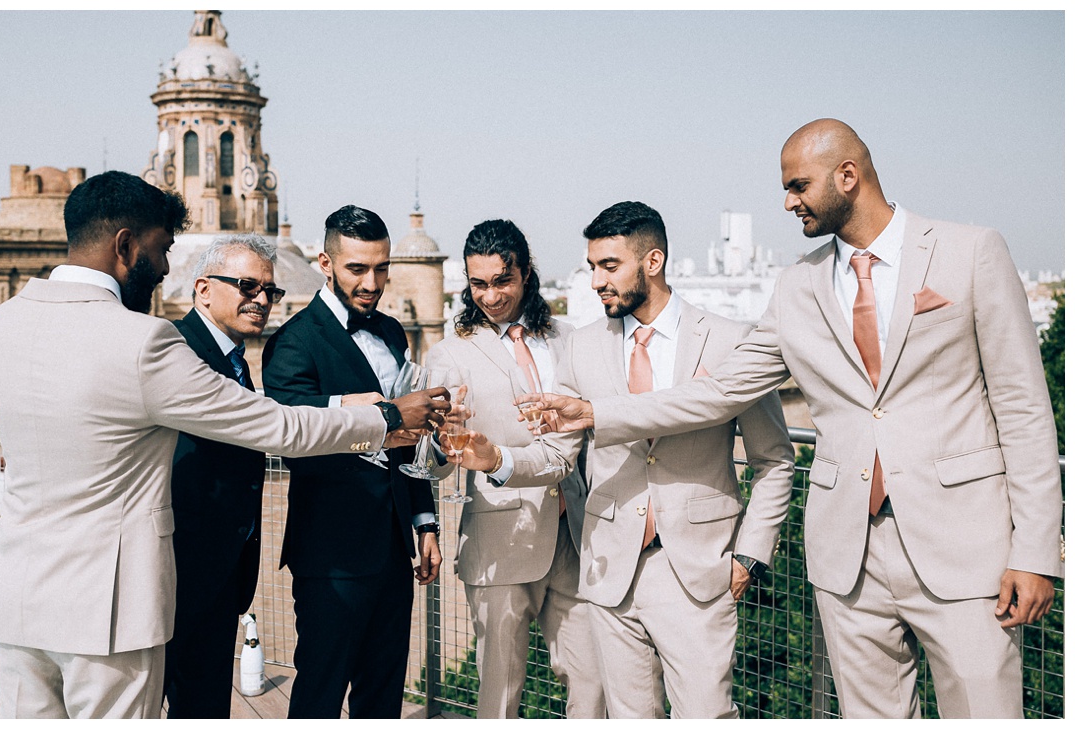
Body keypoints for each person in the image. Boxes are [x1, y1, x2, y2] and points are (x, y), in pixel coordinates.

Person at [536, 120, 1063, 718]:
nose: (788, 202)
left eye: (797, 185)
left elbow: (1024, 410)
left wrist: (1036, 550)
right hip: (847, 559)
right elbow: (721, 392)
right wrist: (595, 413)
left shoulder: (970, 251)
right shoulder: (796, 285)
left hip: (965, 546)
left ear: (848, 176)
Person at [0, 172, 448, 719]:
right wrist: (385, 417)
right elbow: (278, 428)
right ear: (126, 245)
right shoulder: (144, 343)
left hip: (17, 597)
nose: (168, 267)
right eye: (162, 249)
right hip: (107, 607)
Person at [454, 204, 794, 718]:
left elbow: (774, 461)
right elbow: (557, 458)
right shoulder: (583, 348)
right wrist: (497, 459)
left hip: (700, 570)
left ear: (652, 261)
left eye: (609, 266)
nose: (595, 281)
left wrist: (750, 554)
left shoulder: (728, 341)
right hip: (608, 568)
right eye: (591, 266)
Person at [261, 205, 443, 719]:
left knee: (383, 693)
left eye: (381, 268)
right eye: (357, 269)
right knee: (320, 692)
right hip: (330, 555)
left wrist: (424, 521)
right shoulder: (293, 342)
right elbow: (295, 435)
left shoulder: (391, 332)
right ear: (325, 262)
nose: (372, 282)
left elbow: (408, 439)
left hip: (392, 548)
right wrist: (380, 416)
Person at [423, 219, 606, 719]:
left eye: (501, 281)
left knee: (594, 685)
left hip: (579, 535)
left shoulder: (572, 340)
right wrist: (443, 444)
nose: (490, 296)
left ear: (527, 274)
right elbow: (433, 466)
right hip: (500, 546)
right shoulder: (448, 354)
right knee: (500, 694)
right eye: (477, 284)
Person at [162, 233, 286, 718]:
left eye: (269, 292)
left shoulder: (234, 359)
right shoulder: (176, 349)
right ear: (203, 290)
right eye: (247, 286)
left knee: (206, 708)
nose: (261, 300)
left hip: (220, 575)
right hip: (176, 572)